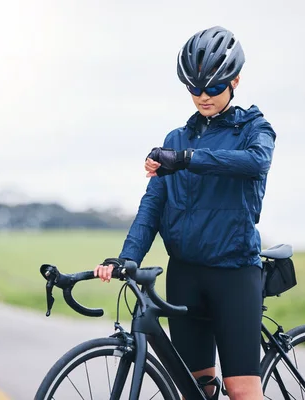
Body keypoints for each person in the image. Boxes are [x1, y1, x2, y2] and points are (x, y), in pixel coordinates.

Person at [94, 26, 276, 400]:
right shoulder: (176, 140)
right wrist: (128, 257)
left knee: (241, 390)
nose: (202, 97)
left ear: (235, 80)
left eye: (211, 87)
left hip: (234, 275)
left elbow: (256, 163)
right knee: (195, 391)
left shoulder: (254, 129)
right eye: (194, 88)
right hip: (186, 275)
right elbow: (152, 206)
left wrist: (187, 160)